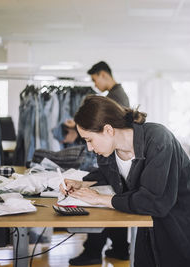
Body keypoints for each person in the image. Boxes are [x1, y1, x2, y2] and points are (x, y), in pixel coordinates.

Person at [61, 95, 190, 267]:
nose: (89, 148)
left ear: (108, 130)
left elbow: (155, 201)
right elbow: (108, 175)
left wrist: (100, 199)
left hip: (184, 230)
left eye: (89, 140)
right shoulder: (107, 154)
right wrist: (82, 184)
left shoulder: (158, 139)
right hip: (148, 226)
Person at [66, 61, 131, 265]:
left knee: (103, 200)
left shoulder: (114, 98)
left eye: (95, 79)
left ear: (103, 75)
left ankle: (94, 251)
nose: (95, 85)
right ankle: (119, 248)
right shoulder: (116, 96)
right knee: (110, 195)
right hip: (113, 159)